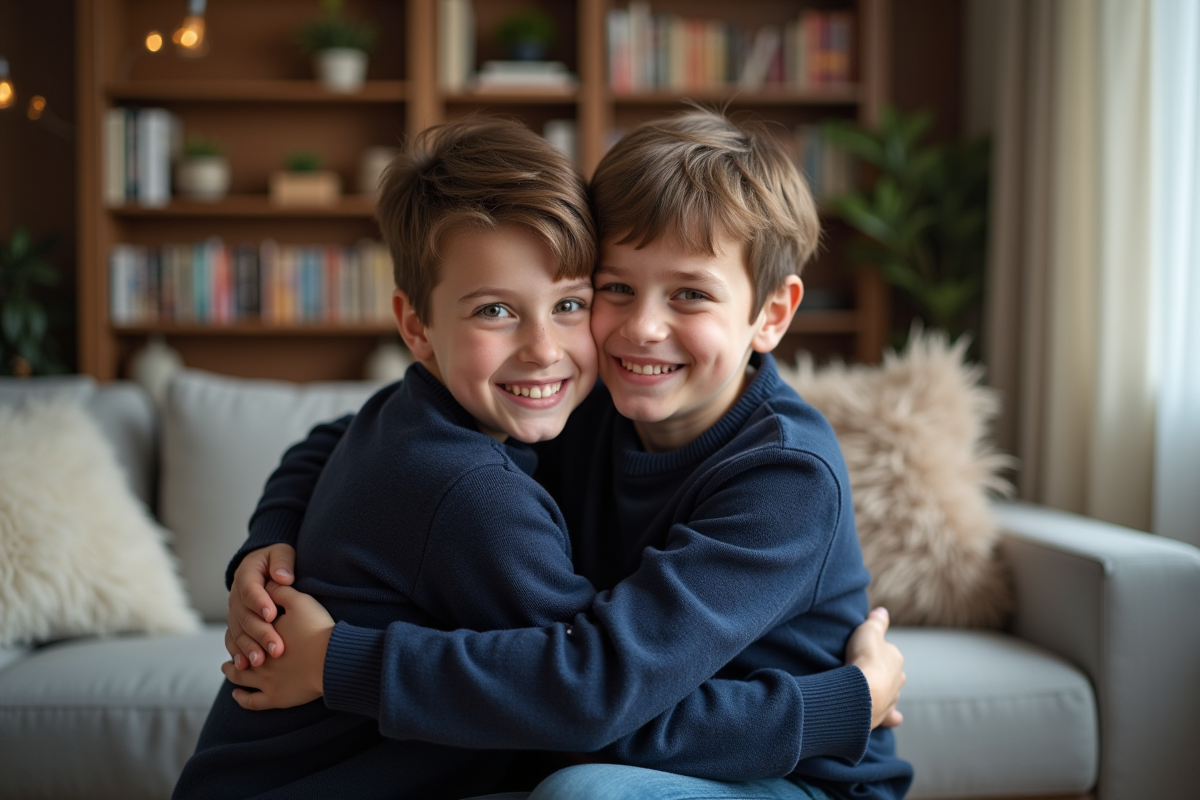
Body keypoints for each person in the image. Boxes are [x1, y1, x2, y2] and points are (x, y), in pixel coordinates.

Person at [219, 110, 913, 800]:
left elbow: (588, 698)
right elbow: (339, 437)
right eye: (614, 289)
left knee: (584, 795)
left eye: (691, 295)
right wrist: (271, 541)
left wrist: (842, 707)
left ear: (771, 314)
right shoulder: (578, 403)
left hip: (787, 775)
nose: (642, 328)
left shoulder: (786, 478)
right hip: (616, 731)